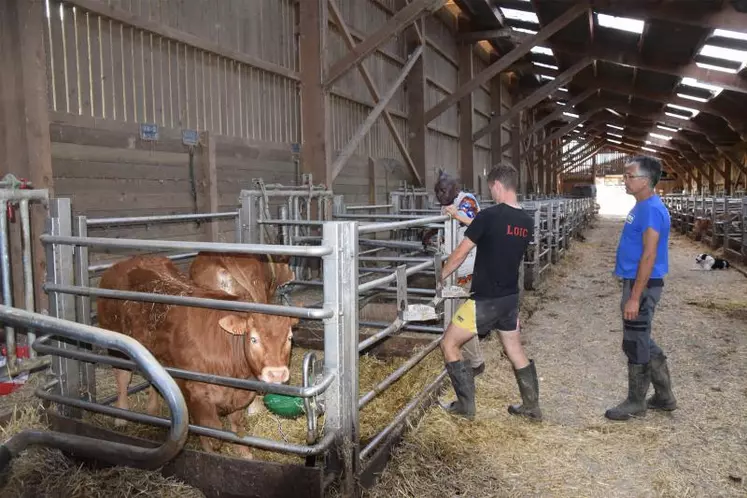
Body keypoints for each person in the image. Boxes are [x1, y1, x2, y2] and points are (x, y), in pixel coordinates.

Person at [438, 164, 541, 421]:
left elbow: (461, 253)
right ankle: (532, 407)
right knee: (515, 351)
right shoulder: (526, 222)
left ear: (496, 185)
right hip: (509, 299)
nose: (491, 193)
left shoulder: (490, 216)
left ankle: (465, 407)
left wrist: (441, 275)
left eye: (490, 188)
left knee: (449, 343)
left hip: (485, 300)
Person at [606, 156, 677, 421]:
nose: (625, 180)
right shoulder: (643, 206)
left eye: (629, 176)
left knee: (635, 340)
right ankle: (664, 396)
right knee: (642, 336)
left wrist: (635, 296)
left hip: (643, 285)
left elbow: (649, 255)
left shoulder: (650, 209)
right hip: (637, 282)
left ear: (645, 181)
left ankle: (636, 401)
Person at [423, 170, 485, 376]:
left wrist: (455, 214)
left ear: (455, 189)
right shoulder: (448, 204)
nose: (439, 195)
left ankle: (475, 362)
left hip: (467, 268)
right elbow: (447, 224)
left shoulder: (467, 201)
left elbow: (476, 223)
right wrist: (430, 232)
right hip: (455, 268)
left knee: (461, 318)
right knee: (460, 316)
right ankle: (471, 359)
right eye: (437, 191)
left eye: (443, 190)